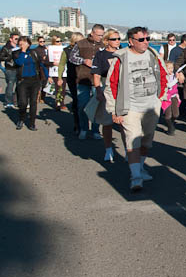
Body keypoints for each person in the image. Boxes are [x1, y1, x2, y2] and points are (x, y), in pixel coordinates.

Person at [104, 26, 167, 192]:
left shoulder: (153, 55)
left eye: (147, 39)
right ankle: (136, 177)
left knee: (147, 140)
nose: (145, 42)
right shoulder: (121, 58)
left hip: (151, 106)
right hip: (129, 107)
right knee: (133, 140)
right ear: (131, 41)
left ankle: (139, 168)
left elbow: (163, 74)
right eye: (141, 40)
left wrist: (161, 97)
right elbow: (111, 85)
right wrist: (114, 110)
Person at [70, 24, 105, 140]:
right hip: (83, 79)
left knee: (97, 106)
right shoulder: (80, 44)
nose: (100, 37)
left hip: (97, 80)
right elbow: (72, 58)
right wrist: (84, 60)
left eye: (102, 35)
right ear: (92, 33)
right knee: (82, 106)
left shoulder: (103, 45)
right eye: (99, 35)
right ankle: (84, 128)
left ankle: (95, 130)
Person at [92, 29, 122, 163]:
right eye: (114, 39)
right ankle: (108, 149)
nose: (117, 41)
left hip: (122, 89)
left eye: (119, 39)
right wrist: (98, 91)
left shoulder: (124, 53)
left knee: (124, 122)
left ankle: (128, 150)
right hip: (107, 88)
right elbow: (96, 74)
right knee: (107, 122)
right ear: (106, 41)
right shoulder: (101, 55)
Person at [13, 36, 50, 130]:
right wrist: (23, 51)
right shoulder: (16, 53)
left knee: (33, 102)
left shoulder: (34, 53)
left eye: (25, 43)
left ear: (29, 44)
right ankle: (21, 118)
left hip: (34, 80)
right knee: (23, 102)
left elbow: (40, 65)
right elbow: (19, 62)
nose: (23, 45)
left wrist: (47, 76)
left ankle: (32, 123)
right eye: (21, 43)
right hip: (23, 81)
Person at [58, 32, 84, 131]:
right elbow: (61, 64)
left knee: (85, 101)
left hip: (83, 77)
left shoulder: (84, 49)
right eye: (80, 40)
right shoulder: (66, 51)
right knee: (76, 101)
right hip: (72, 78)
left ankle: (84, 122)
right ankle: (77, 124)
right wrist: (60, 77)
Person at [0, 33, 21, 109]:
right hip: (10, 69)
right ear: (11, 39)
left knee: (19, 85)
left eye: (18, 39)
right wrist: (9, 58)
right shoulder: (6, 48)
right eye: (16, 39)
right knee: (10, 85)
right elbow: (0, 57)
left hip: (18, 68)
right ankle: (8, 102)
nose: (17, 40)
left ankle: (17, 101)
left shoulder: (19, 47)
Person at [160, 61, 180, 135]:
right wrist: (176, 80)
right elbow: (168, 85)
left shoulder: (174, 75)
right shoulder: (164, 76)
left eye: (172, 68)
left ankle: (171, 123)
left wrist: (178, 77)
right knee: (168, 115)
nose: (171, 70)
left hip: (174, 96)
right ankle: (170, 128)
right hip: (166, 98)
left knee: (176, 114)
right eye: (169, 68)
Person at [33, 36, 53, 104]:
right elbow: (36, 59)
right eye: (41, 41)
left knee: (45, 83)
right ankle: (36, 97)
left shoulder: (46, 49)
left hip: (47, 67)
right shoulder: (36, 49)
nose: (42, 43)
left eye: (43, 41)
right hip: (40, 67)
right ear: (38, 42)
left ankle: (42, 97)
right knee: (38, 84)